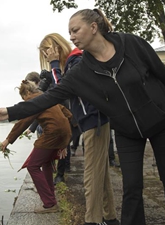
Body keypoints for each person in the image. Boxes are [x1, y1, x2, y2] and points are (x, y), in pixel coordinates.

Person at [0, 8, 165, 225]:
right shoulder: (81, 70)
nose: (72, 36)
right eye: (70, 32)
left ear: (93, 27)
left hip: (162, 123)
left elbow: (160, 72)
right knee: (132, 187)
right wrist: (10, 111)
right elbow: (49, 97)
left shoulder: (131, 43)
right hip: (127, 131)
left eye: (75, 30)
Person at [39, 32, 119, 225]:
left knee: (91, 176)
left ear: (55, 48)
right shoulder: (74, 62)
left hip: (95, 122)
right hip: (93, 122)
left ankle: (91, 221)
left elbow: (61, 91)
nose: (47, 58)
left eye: (47, 53)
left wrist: (55, 65)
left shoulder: (76, 61)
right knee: (102, 175)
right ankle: (110, 217)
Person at [0, 80, 72, 214]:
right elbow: (67, 113)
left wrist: (7, 141)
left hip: (52, 134)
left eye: (24, 98)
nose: (25, 101)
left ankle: (50, 204)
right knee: (46, 163)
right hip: (64, 132)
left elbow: (23, 122)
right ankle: (50, 194)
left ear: (27, 92)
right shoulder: (47, 97)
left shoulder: (35, 101)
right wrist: (65, 141)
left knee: (33, 166)